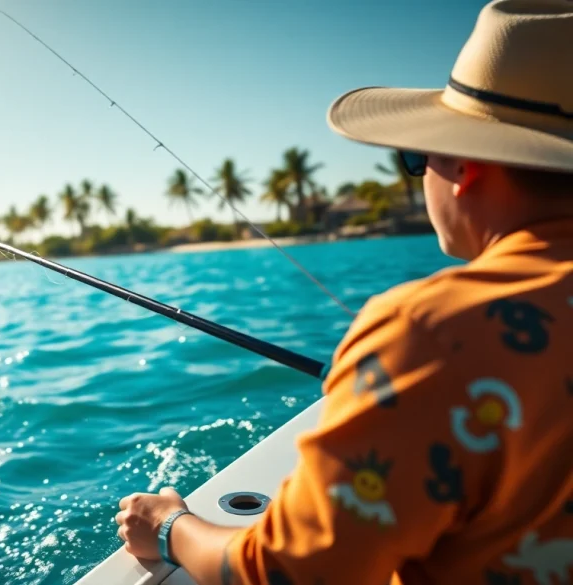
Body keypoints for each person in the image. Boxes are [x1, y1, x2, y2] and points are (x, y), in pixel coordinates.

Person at [114, 1, 573, 583]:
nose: (420, 171)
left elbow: (287, 575)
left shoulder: (427, 332)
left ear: (467, 166)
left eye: (417, 156)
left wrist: (169, 526)